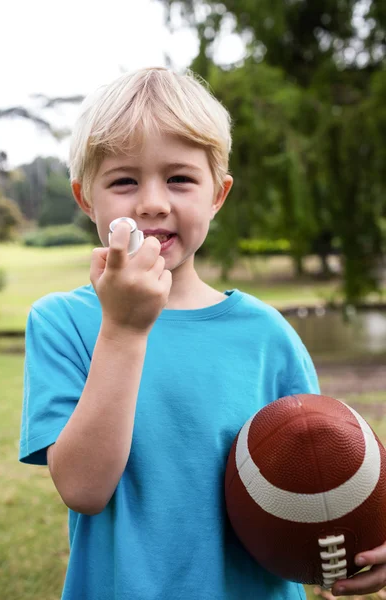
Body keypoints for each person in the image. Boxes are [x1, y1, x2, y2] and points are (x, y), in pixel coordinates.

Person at [19, 67, 386, 600]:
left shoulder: (265, 334)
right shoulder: (62, 322)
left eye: (180, 179)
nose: (152, 203)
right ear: (85, 198)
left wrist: (368, 535)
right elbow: (82, 489)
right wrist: (122, 329)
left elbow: (322, 472)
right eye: (123, 180)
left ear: (218, 194)